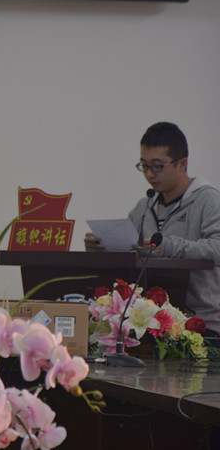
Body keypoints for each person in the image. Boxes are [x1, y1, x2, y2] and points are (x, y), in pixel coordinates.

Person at [84, 122, 220, 342]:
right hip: (150, 326)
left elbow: (217, 248)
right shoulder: (144, 208)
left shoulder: (208, 200)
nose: (149, 174)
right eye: (144, 166)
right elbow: (129, 254)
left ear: (182, 164)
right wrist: (102, 248)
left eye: (157, 166)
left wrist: (168, 246)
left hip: (199, 325)